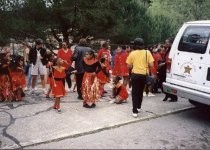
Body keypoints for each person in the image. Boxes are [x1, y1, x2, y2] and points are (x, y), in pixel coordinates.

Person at [126, 38, 155, 118]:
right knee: (140, 92)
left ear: (135, 45)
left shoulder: (132, 53)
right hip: (144, 75)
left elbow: (128, 66)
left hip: (135, 75)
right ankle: (138, 107)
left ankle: (134, 111)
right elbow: (152, 65)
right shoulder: (147, 52)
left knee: (135, 93)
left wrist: (134, 65)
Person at [162, 38, 178, 102]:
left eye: (167, 43)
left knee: (169, 83)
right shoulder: (168, 49)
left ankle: (173, 97)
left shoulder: (172, 50)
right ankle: (167, 95)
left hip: (170, 68)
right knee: (164, 82)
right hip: (166, 67)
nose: (165, 44)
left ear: (171, 43)